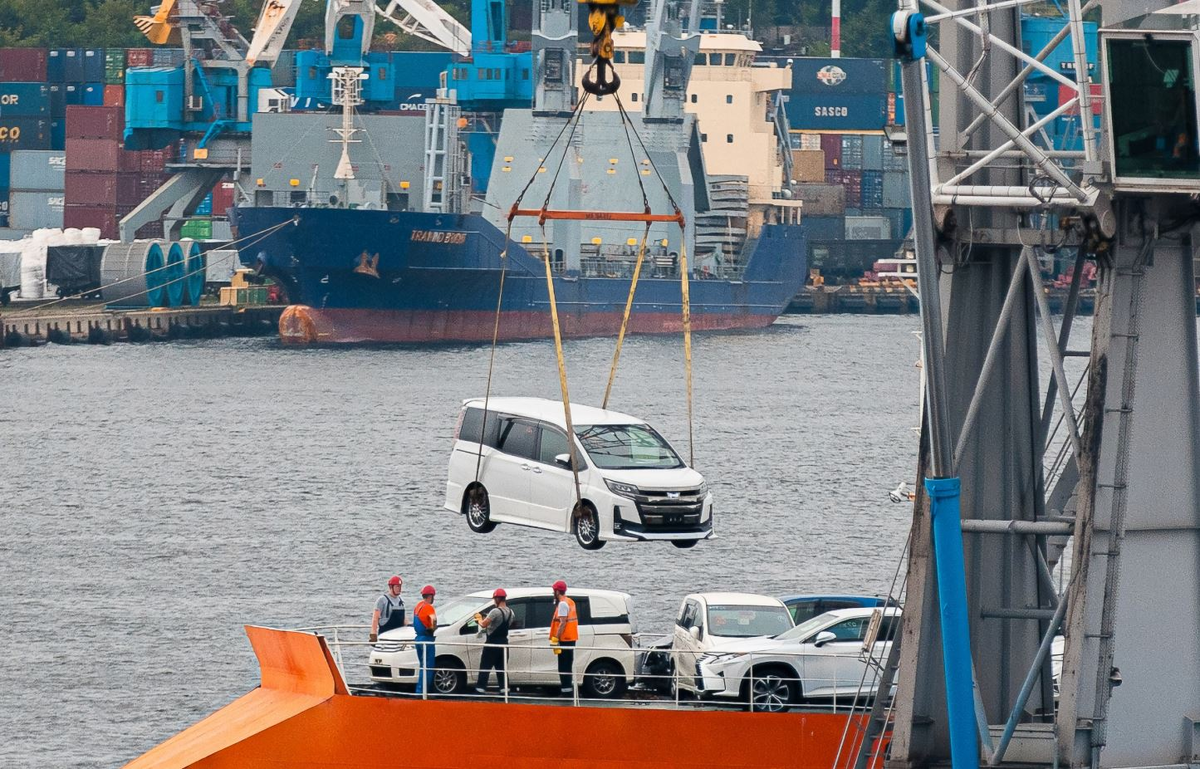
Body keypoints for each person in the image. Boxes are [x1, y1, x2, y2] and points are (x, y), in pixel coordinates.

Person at [474, 588, 515, 695]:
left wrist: (478, 619)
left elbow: (484, 624)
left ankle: (480, 688)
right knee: (502, 669)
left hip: (492, 643)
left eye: (494, 599)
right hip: (504, 643)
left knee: (485, 666)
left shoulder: (495, 611)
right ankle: (504, 690)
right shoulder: (511, 612)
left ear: (498, 598)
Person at [549, 580, 578, 696]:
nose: (553, 593)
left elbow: (562, 623)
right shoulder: (570, 601)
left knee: (563, 666)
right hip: (571, 638)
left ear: (557, 591)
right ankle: (568, 690)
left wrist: (556, 637)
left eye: (553, 591)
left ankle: (566, 692)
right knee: (567, 665)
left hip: (564, 639)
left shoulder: (562, 604)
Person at [413, 585, 438, 695]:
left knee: (422, 666)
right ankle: (424, 692)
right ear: (431, 596)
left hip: (418, 639)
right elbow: (434, 622)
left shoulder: (418, 606)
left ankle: (419, 690)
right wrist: (433, 628)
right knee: (428, 666)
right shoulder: (429, 607)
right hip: (427, 640)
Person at [369, 575, 405, 643]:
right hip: (385, 636)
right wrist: (373, 634)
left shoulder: (401, 601)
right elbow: (375, 618)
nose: (399, 589)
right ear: (391, 587)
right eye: (397, 586)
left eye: (400, 586)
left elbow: (404, 619)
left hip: (399, 637)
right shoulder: (382, 600)